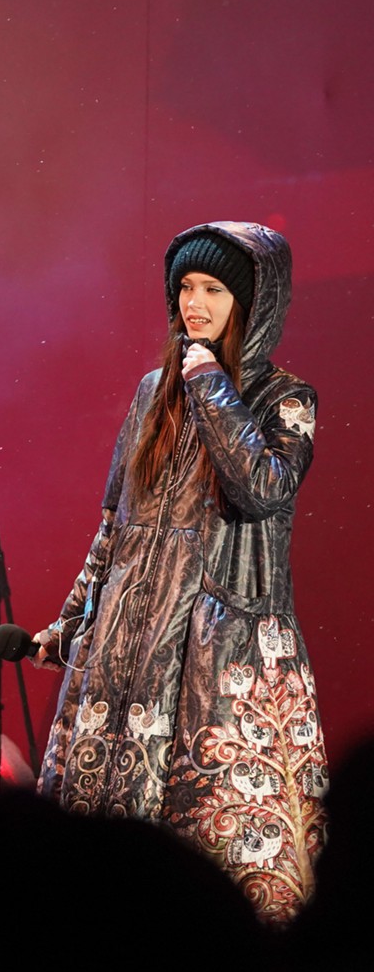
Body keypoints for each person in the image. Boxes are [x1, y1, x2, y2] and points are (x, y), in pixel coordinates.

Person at [30, 222, 324, 923]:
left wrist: (211, 386)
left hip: (219, 650)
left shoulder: (287, 398)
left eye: (213, 289)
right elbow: (114, 524)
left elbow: (262, 489)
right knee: (97, 862)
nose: (194, 303)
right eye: (185, 288)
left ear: (253, 300)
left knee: (211, 848)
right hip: (126, 643)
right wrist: (70, 623)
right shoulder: (151, 393)